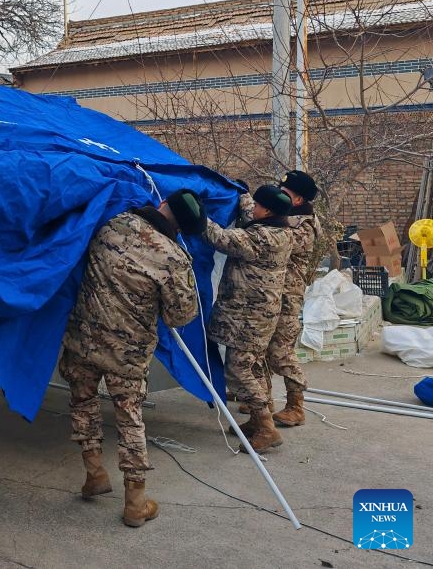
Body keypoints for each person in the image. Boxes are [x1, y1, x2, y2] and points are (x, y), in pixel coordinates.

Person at [60, 189, 205, 528]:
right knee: (129, 420)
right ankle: (135, 503)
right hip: (127, 353)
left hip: (83, 340)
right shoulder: (173, 257)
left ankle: (95, 473)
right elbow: (180, 316)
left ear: (163, 204)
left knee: (82, 404)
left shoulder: (113, 224)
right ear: (182, 228)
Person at [204, 184, 293, 454]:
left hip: (248, 315)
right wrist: (242, 194)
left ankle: (266, 427)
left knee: (239, 369)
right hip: (261, 313)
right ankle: (257, 421)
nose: (252, 208)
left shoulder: (261, 237)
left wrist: (194, 212)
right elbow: (248, 216)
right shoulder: (282, 230)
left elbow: (219, 237)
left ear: (266, 211)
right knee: (254, 367)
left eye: (257, 205)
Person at [268, 170, 322, 427]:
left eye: (285, 193)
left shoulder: (304, 225)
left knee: (282, 352)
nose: (279, 195)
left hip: (288, 296)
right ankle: (263, 400)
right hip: (269, 293)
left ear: (298, 200)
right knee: (260, 346)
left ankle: (295, 405)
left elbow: (282, 243)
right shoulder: (283, 217)